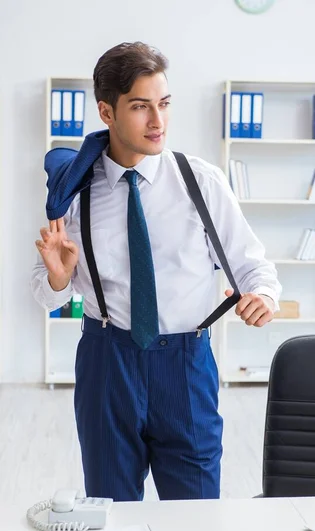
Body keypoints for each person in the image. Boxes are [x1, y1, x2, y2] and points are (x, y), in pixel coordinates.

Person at [31, 42, 281, 502]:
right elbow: (45, 294)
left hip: (186, 367)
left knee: (197, 514)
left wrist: (262, 294)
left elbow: (252, 264)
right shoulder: (75, 194)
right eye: (141, 107)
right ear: (107, 112)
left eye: (163, 104)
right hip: (108, 363)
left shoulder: (199, 181)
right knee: (112, 515)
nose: (158, 122)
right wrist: (60, 279)